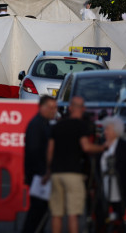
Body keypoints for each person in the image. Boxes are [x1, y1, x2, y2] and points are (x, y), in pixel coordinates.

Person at [45, 96, 106, 233]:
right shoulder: (82, 126)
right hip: (74, 174)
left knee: (56, 214)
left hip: (56, 174)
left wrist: (48, 170)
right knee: (73, 214)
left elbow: (50, 150)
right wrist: (102, 148)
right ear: (83, 109)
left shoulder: (57, 125)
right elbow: (86, 147)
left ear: (70, 108)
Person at [96, 116, 126, 233]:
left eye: (107, 129)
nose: (105, 132)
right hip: (103, 190)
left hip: (120, 189)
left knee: (120, 222)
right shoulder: (101, 146)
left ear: (116, 130)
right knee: (102, 222)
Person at [22, 95, 58, 233]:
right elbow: (33, 151)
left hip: (41, 174)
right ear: (41, 107)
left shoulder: (45, 124)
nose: (53, 111)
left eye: (55, 108)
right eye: (50, 107)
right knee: (37, 210)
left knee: (40, 211)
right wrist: (42, 172)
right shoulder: (36, 125)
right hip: (38, 175)